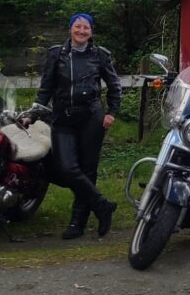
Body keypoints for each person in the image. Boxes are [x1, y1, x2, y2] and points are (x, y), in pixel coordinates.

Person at [33, 13, 122, 239]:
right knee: (67, 167)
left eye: (86, 28)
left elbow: (114, 85)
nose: (81, 31)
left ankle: (77, 222)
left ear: (91, 32)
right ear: (70, 28)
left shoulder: (100, 55)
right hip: (62, 117)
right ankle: (102, 205)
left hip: (92, 117)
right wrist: (33, 113)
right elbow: (46, 88)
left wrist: (112, 112)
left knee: (87, 170)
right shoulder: (56, 54)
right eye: (77, 26)